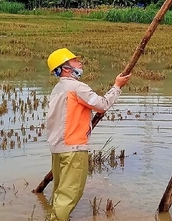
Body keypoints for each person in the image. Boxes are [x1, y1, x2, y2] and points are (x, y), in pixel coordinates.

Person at [45, 48, 131, 221]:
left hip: (57, 148)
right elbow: (102, 104)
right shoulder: (76, 87)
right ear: (67, 68)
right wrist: (117, 86)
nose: (80, 62)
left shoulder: (57, 89)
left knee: (59, 190)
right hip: (73, 148)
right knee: (70, 193)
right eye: (75, 61)